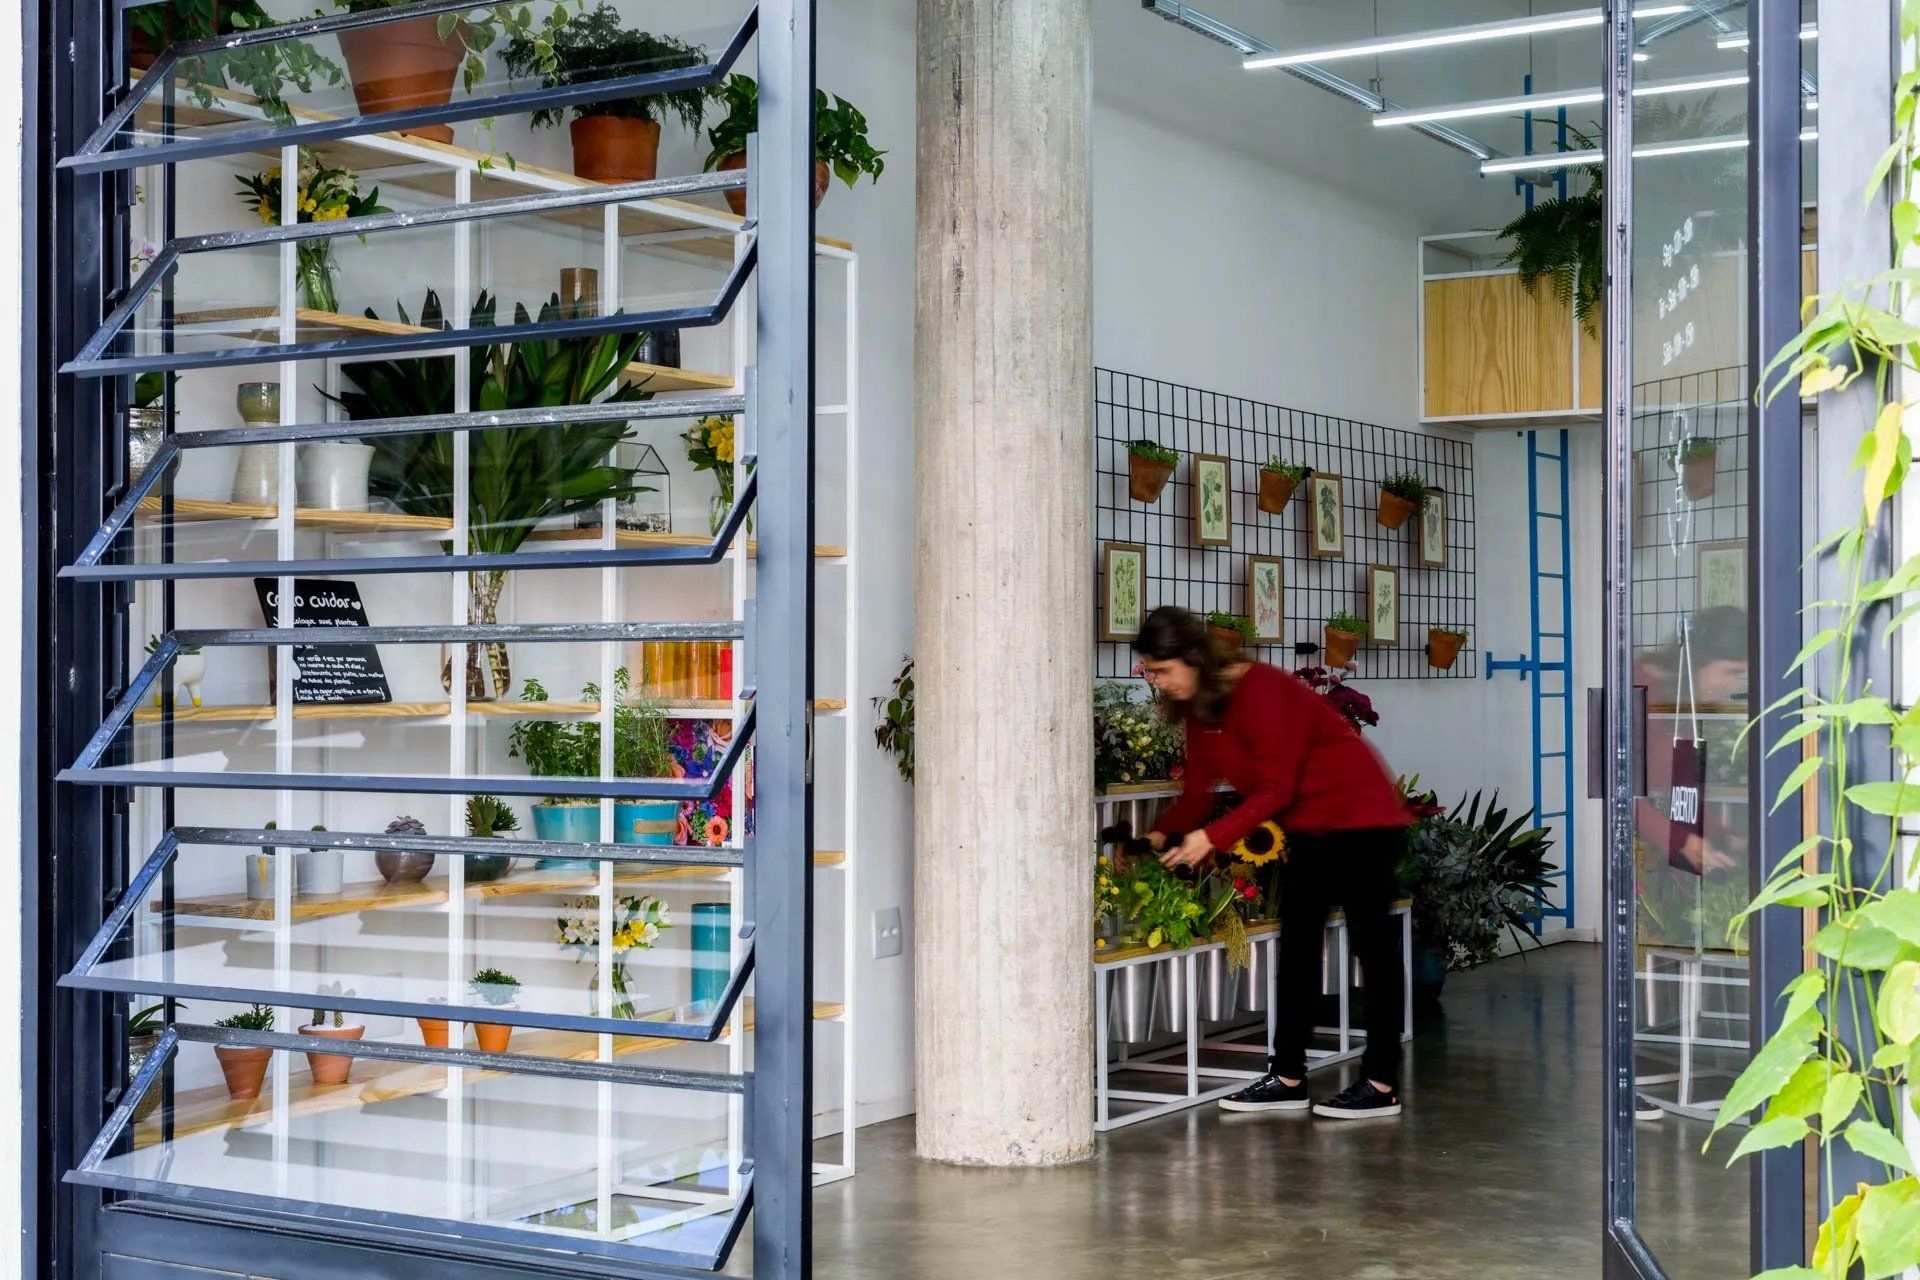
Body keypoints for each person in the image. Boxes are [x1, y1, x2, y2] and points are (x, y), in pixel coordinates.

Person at [1131, 606, 1411, 1119]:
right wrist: (1151, 840)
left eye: (1163, 670)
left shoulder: (1259, 688)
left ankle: (1382, 1082)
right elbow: (1195, 798)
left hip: (1363, 816)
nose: (1158, 682)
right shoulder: (1200, 708)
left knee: (1373, 949)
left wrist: (1211, 838)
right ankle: (1287, 1077)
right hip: (1312, 826)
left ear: (1194, 658)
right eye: (1151, 672)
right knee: (1297, 948)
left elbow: (1275, 787)